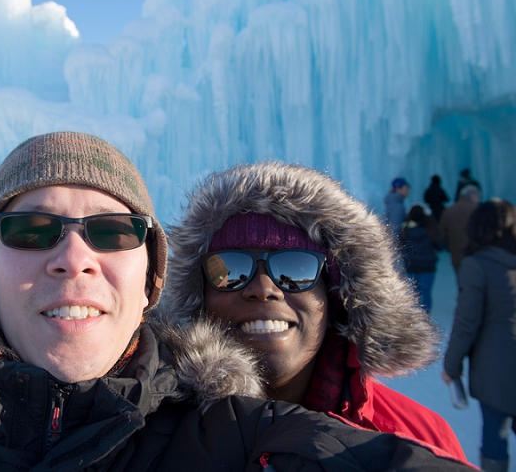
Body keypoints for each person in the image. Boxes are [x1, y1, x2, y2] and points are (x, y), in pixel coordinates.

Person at [0, 132, 475, 472]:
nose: (72, 255)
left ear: (151, 284)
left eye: (112, 231)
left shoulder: (233, 439)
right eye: (29, 227)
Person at [159, 161, 469, 464]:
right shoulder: (151, 435)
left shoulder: (420, 440)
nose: (264, 288)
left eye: (296, 268)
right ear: (200, 299)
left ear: (335, 298)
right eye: (230, 268)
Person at [442, 199, 516, 472]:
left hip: (498, 371)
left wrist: (451, 365)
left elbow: (466, 322)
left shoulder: (478, 265)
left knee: (496, 437)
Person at [401, 202, 441, 311]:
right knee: (426, 292)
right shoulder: (431, 230)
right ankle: (425, 318)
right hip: (428, 266)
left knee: (414, 293)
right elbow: (440, 245)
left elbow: (400, 245)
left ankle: (415, 319)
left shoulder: (405, 230)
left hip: (412, 265)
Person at [441, 184, 482, 276]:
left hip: (457, 255)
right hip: (476, 255)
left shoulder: (449, 211)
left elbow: (443, 233)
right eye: (479, 196)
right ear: (472, 195)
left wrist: (450, 246)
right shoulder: (478, 210)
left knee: (462, 284)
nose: (480, 199)